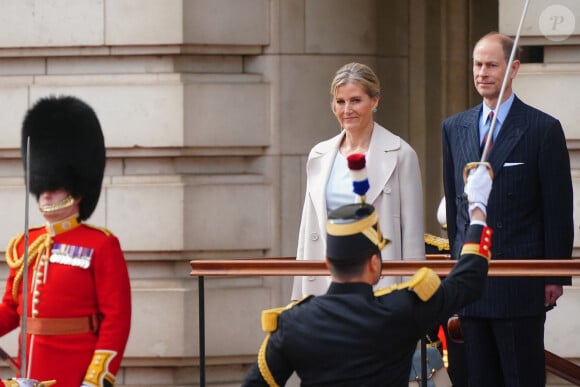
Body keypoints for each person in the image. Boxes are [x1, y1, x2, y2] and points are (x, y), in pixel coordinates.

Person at [242, 164, 493, 386]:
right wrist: (478, 212)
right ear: (374, 263)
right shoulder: (401, 309)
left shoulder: (293, 323)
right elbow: (468, 281)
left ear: (328, 263)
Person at [442, 31, 574, 386]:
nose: (481, 72)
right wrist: (456, 269)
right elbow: (456, 208)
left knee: (521, 378)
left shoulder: (542, 129)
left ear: (513, 68)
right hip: (470, 282)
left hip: (520, 281)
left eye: (491, 65)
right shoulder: (454, 128)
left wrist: (555, 275)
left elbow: (558, 209)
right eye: (477, 64)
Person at [0, 96, 132, 386]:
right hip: (26, 373)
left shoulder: (100, 245)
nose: (45, 194)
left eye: (55, 187)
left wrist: (96, 378)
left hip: (74, 373)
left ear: (77, 191)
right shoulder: (24, 245)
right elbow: (11, 310)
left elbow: (116, 321)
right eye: (42, 186)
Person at [292, 62, 424, 300]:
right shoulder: (318, 156)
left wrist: (412, 301)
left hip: (380, 289)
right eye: (340, 102)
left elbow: (412, 237)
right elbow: (307, 231)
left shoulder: (401, 154)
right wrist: (298, 296)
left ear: (374, 101)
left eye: (355, 100)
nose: (347, 109)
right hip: (326, 286)